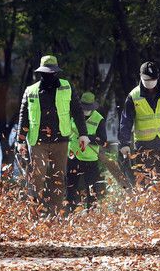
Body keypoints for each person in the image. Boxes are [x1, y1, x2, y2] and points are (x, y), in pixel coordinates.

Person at [16, 55, 90, 216]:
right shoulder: (31, 91)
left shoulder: (67, 87)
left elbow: (77, 111)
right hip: (37, 142)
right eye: (45, 73)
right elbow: (24, 117)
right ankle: (35, 214)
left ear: (56, 72)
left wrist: (83, 134)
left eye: (52, 72)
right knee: (37, 177)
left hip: (61, 141)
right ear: (40, 72)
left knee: (57, 178)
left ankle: (54, 214)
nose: (49, 75)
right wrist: (20, 141)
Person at [118, 61, 160, 183]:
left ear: (158, 77)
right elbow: (126, 121)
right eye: (147, 80)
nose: (150, 83)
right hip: (144, 146)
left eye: (152, 79)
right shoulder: (133, 96)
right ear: (140, 77)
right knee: (146, 181)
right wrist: (124, 143)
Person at [67, 91, 107, 210]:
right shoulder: (73, 115)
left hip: (90, 160)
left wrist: (90, 138)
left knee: (92, 189)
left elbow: (103, 141)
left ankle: (91, 215)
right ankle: (70, 212)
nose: (85, 111)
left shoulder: (99, 119)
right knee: (71, 188)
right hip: (73, 157)